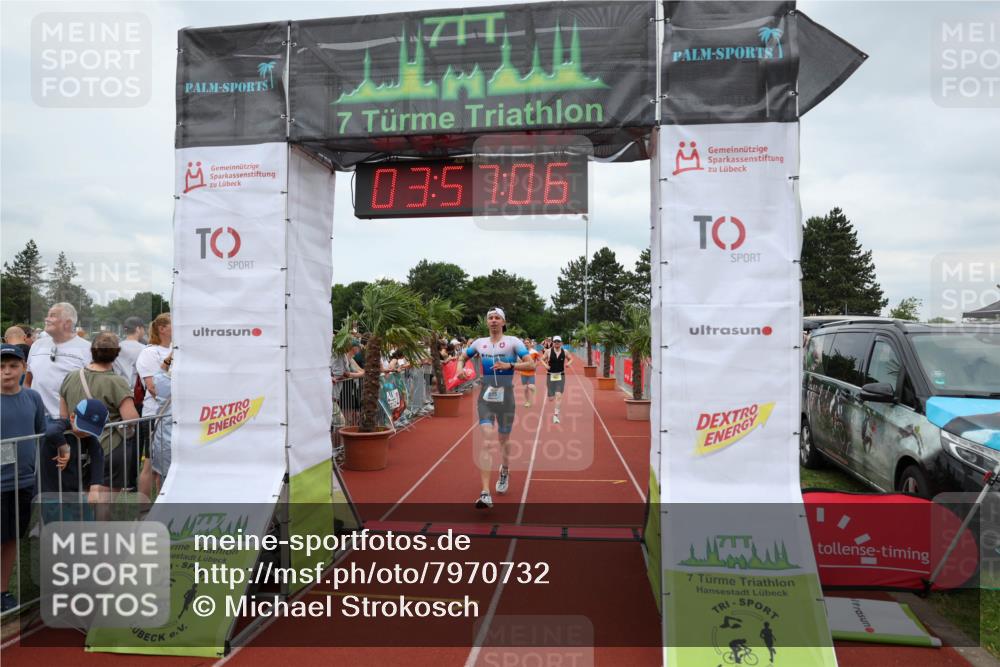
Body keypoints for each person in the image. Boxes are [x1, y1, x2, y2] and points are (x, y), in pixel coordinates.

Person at [453, 307, 532, 509]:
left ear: (503, 322)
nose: (494, 320)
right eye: (490, 318)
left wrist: (510, 366)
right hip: (486, 397)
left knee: (503, 440)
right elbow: (462, 357)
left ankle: (504, 470)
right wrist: (460, 369)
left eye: (497, 318)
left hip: (507, 397)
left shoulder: (514, 342)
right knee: (487, 442)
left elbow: (531, 364)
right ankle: (485, 493)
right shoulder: (479, 343)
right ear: (487, 322)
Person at [59, 332, 140, 505]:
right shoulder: (117, 382)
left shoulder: (71, 377)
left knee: (85, 501)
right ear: (116, 353)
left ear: (92, 350)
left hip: (80, 448)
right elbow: (131, 418)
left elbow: (63, 415)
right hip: (110, 446)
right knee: (104, 504)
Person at [0, 344, 46, 612]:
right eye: (1, 367)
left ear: (24, 368)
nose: (7, 371)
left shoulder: (33, 398)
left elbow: (42, 430)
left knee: (11, 538)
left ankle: (3, 591)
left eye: (13, 366)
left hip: (23, 482)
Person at [40, 398, 107, 517]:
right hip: (52, 494)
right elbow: (51, 431)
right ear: (72, 417)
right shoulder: (62, 426)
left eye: (91, 431)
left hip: (76, 493)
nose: (86, 434)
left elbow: (98, 457)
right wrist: (65, 449)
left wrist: (94, 488)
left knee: (87, 523)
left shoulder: (89, 437)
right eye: (83, 428)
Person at [25, 303, 93, 421]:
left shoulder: (88, 349)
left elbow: (94, 387)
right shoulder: (37, 345)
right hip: (35, 419)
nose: (47, 319)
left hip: (69, 422)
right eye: (47, 315)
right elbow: (27, 381)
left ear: (68, 323)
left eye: (52, 316)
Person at [134, 313, 172, 500]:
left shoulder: (175, 349)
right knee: (150, 465)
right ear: (162, 329)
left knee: (165, 467)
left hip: (172, 416)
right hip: (154, 416)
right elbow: (152, 387)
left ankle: (162, 503)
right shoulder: (150, 352)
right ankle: (144, 508)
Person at [149, 353, 173, 488]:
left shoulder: (162, 381)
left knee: (165, 480)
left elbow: (158, 374)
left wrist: (169, 358)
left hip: (165, 438)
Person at [542, 335, 573, 424]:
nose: (556, 343)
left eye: (558, 341)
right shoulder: (548, 351)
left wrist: (568, 363)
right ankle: (551, 394)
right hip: (550, 375)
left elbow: (571, 359)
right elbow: (542, 359)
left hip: (560, 375)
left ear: (561, 343)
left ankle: (555, 415)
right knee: (551, 398)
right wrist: (545, 365)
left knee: (558, 395)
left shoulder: (565, 352)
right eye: (555, 341)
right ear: (553, 343)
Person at [113, 316, 146, 389]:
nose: (144, 331)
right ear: (138, 329)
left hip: (119, 388)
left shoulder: (116, 347)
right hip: (137, 390)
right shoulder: (144, 349)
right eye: (143, 328)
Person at [519, 338, 541, 408]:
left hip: (531, 372)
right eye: (525, 343)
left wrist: (535, 365)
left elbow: (539, 360)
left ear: (530, 344)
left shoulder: (534, 352)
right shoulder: (521, 352)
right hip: (523, 372)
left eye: (527, 343)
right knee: (525, 388)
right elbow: (519, 360)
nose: (526, 344)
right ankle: (527, 402)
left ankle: (534, 391)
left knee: (531, 386)